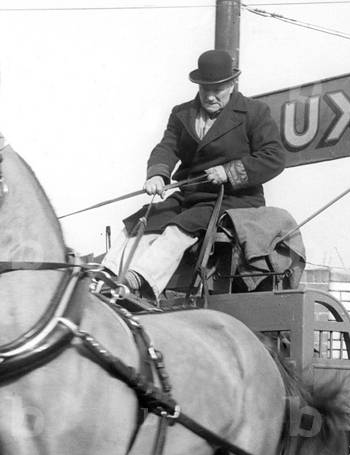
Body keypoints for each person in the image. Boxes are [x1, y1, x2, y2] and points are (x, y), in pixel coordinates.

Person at [102, 49, 287, 300]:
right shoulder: (182, 114)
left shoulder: (254, 113)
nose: (210, 97)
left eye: (217, 90)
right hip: (191, 196)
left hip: (233, 200)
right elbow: (166, 148)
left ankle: (139, 280)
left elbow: (274, 157)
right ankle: (108, 275)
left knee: (178, 228)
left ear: (232, 84)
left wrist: (229, 172)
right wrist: (158, 174)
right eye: (204, 90)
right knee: (145, 220)